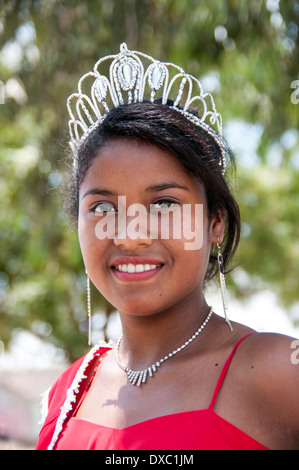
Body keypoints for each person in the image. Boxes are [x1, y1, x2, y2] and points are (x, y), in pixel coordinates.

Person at [36, 44, 299, 450]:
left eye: (163, 203)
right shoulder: (67, 393)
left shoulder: (278, 373)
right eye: (103, 207)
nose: (130, 235)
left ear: (215, 222)